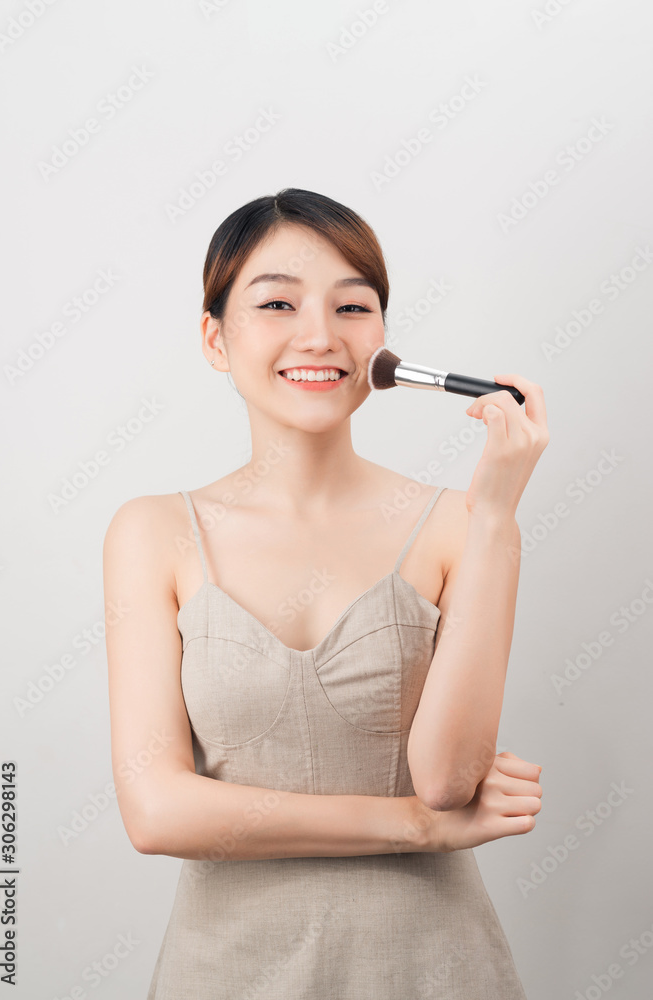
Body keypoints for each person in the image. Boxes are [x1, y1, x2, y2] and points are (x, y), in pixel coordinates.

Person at [103, 187, 549, 998]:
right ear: (214, 337)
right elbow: (157, 811)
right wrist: (414, 826)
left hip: (433, 968)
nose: (320, 335)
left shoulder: (460, 526)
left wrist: (494, 519)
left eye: (353, 306)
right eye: (276, 302)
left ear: (380, 339)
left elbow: (448, 780)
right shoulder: (151, 532)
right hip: (223, 972)